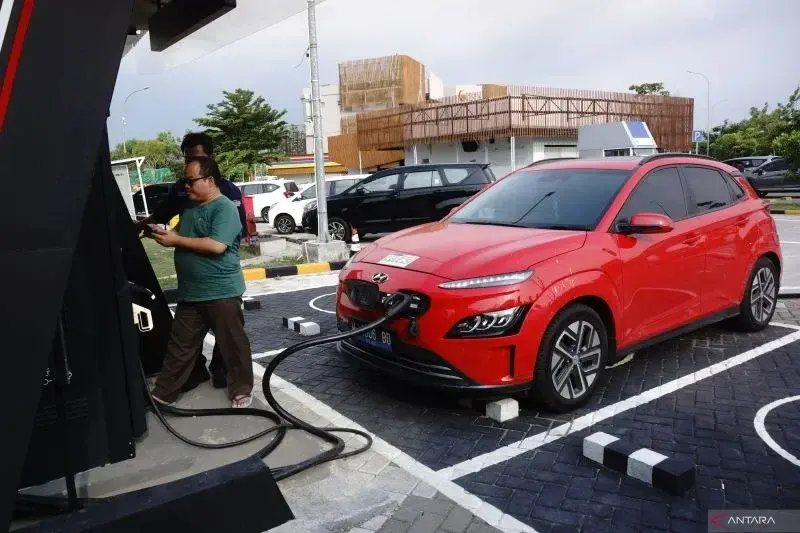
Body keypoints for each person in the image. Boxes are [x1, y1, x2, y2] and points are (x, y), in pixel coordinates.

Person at [136, 132, 245, 391]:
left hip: (220, 286)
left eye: (195, 157)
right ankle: (175, 386)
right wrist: (145, 228)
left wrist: (181, 242)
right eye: (186, 158)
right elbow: (163, 215)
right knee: (181, 342)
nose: (187, 182)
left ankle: (229, 379)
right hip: (191, 290)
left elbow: (224, 241)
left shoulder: (227, 197)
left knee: (229, 339)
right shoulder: (183, 191)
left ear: (209, 164)